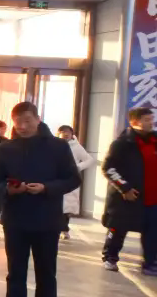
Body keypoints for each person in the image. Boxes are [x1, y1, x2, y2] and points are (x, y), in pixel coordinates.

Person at [0, 101, 80, 297]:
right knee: (15, 272)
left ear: (38, 119)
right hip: (16, 220)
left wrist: (46, 188)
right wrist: (10, 190)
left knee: (46, 273)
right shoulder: (6, 148)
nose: (22, 126)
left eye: (27, 121)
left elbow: (73, 179)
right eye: (17, 121)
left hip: (47, 219)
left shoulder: (58, 147)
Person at [101, 107, 157, 274]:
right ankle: (110, 257)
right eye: (147, 120)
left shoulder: (155, 140)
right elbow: (108, 168)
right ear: (134, 122)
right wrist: (125, 188)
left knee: (152, 232)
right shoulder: (122, 143)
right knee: (118, 228)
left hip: (152, 198)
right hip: (127, 197)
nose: (151, 123)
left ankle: (150, 263)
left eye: (152, 119)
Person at [57, 125, 96, 241]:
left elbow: (89, 160)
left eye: (68, 132)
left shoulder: (76, 147)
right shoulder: (54, 145)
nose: (65, 134)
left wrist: (77, 167)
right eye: (63, 132)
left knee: (67, 208)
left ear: (72, 134)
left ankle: (64, 230)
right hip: (56, 179)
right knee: (56, 206)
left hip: (70, 179)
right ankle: (56, 229)